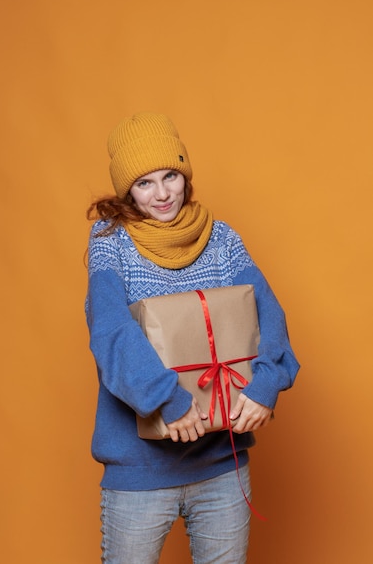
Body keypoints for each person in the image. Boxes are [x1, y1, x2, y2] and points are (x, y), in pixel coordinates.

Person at [85, 112, 299, 564]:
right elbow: (110, 332)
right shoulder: (111, 243)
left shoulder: (221, 239)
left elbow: (268, 314)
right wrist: (168, 400)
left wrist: (265, 386)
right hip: (139, 470)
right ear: (127, 191)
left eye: (170, 176)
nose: (162, 193)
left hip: (224, 466)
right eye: (144, 183)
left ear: (185, 175)